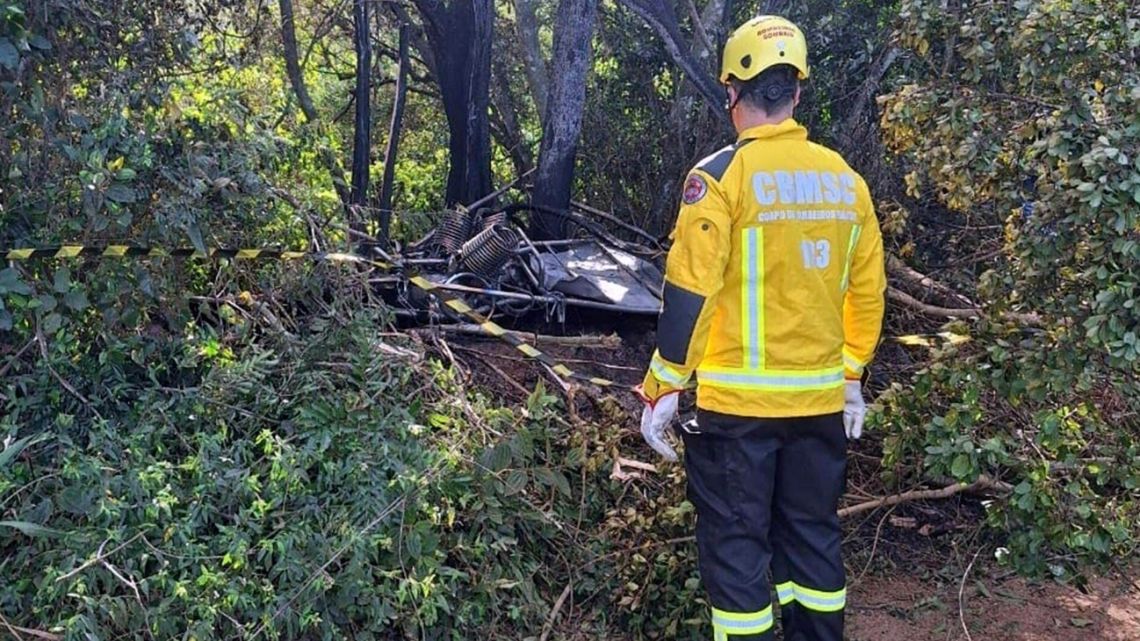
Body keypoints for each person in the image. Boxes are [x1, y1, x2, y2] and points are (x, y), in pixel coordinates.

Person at [635, 14, 886, 641]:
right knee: (812, 543)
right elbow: (868, 292)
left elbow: (689, 291)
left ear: (730, 92)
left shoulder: (719, 179)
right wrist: (852, 373)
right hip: (820, 406)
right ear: (797, 92)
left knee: (738, 554)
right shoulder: (847, 183)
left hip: (738, 413)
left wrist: (663, 385)